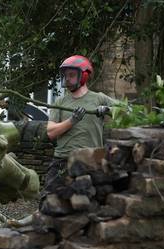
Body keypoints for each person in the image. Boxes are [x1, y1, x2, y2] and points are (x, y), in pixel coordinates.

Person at [43, 55, 116, 194]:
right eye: (65, 75)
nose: (67, 79)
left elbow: (126, 110)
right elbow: (51, 132)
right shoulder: (60, 102)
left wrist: (108, 110)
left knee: (93, 202)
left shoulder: (99, 98)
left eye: (71, 75)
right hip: (63, 160)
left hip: (92, 160)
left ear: (83, 76)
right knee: (49, 201)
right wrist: (72, 121)